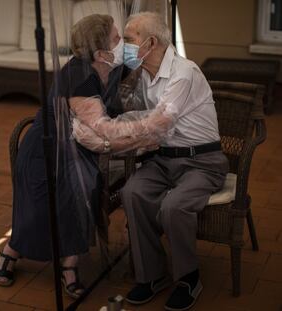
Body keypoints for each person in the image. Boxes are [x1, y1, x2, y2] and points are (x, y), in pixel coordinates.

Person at [0, 14, 158, 299]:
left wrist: (148, 50)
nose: (122, 43)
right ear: (99, 51)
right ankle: (11, 250)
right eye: (117, 39)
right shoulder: (79, 75)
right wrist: (146, 131)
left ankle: (69, 264)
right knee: (61, 194)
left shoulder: (106, 67)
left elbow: (133, 62)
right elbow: (100, 129)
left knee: (83, 189)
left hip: (79, 147)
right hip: (48, 149)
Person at [112, 12, 229, 311]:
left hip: (202, 161)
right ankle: (152, 276)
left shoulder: (183, 71)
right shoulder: (142, 74)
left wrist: (112, 138)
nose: (124, 46)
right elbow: (133, 114)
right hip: (164, 160)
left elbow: (160, 122)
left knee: (174, 206)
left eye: (129, 39)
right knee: (132, 193)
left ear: (150, 43)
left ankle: (189, 278)